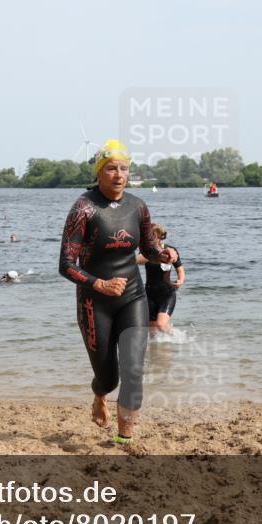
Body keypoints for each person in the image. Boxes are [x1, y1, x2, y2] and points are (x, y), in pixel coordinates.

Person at [59, 139, 177, 444]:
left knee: (134, 369)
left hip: (132, 297)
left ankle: (125, 438)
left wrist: (163, 256)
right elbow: (65, 264)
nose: (119, 174)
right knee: (108, 377)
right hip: (94, 302)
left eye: (124, 168)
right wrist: (100, 284)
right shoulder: (83, 208)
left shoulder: (138, 206)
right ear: (100, 172)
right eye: (111, 168)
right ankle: (99, 395)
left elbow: (149, 250)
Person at [136, 223, 185, 335]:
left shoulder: (171, 250)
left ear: (158, 235)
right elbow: (137, 260)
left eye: (151, 236)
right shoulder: (146, 252)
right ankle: (157, 351)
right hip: (150, 294)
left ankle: (178, 338)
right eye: (147, 236)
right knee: (152, 332)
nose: (148, 239)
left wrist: (180, 281)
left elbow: (180, 269)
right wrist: (155, 255)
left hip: (167, 294)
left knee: (161, 325)